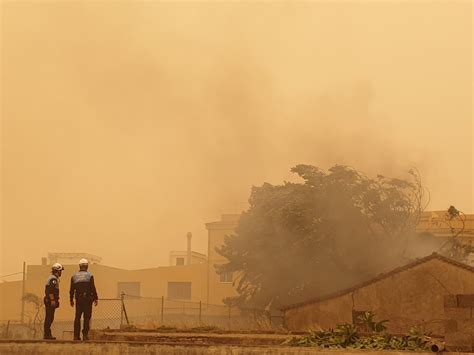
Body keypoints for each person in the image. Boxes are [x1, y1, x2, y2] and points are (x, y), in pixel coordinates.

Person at [69, 258, 98, 341]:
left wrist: (71, 300)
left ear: (79, 266)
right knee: (86, 317)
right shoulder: (89, 275)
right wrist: (96, 297)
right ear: (87, 266)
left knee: (77, 317)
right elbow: (93, 288)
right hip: (87, 299)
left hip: (78, 299)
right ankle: (85, 335)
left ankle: (76, 336)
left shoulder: (74, 276)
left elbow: (71, 290)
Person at [43, 263, 64, 340]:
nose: (61, 272)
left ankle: (47, 334)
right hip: (50, 300)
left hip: (49, 300)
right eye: (60, 271)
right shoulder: (53, 279)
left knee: (49, 317)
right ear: (57, 271)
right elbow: (50, 291)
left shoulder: (52, 278)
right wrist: (52, 300)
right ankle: (47, 334)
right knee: (49, 317)